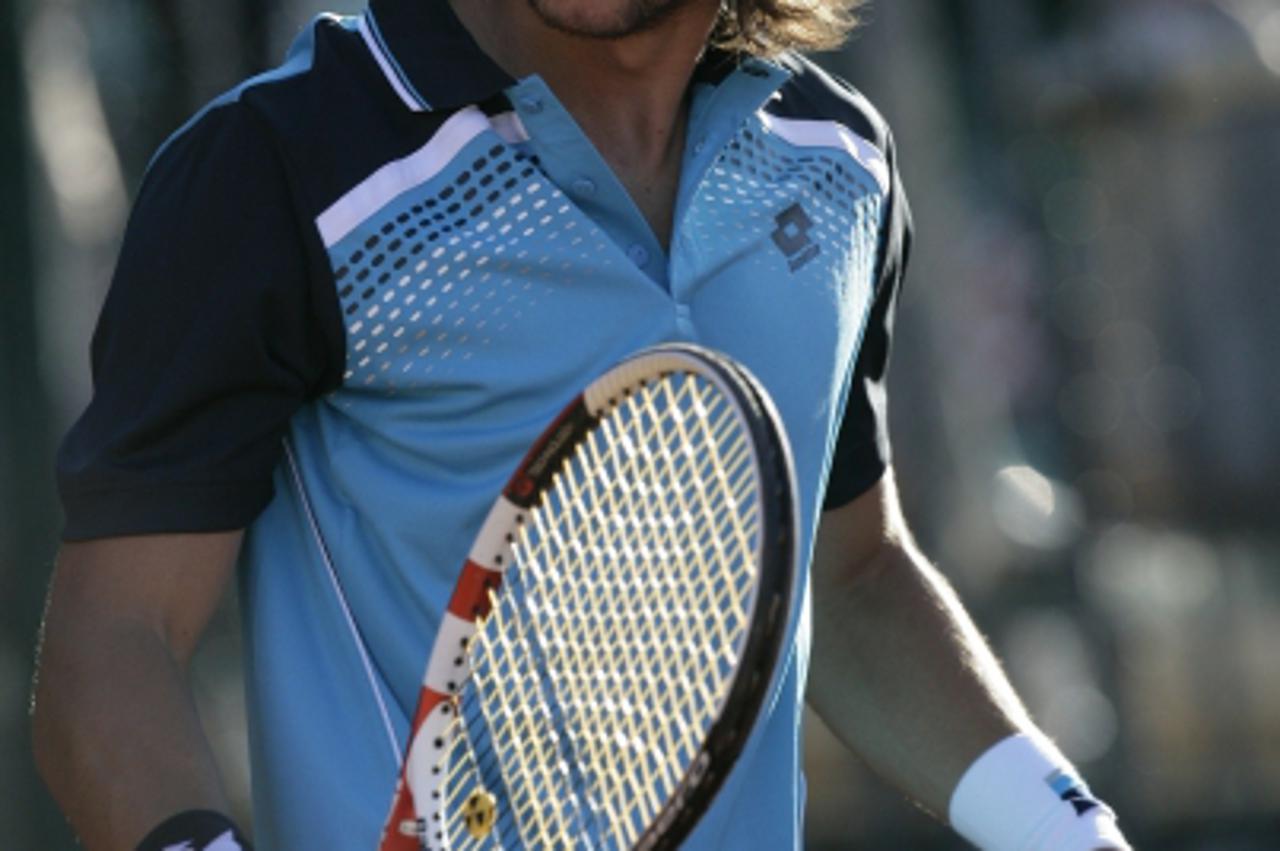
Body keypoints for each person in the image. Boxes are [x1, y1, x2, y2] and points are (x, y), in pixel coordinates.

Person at [31, 0, 1132, 849]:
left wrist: (1065, 828)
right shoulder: (274, 169)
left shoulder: (839, 167)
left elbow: (844, 580)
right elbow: (111, 647)